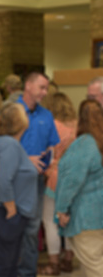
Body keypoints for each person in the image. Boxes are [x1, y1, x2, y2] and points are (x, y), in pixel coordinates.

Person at [0, 103, 38, 277]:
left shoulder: (9, 144)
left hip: (11, 212)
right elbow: (3, 179)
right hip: (9, 213)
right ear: (18, 121)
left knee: (9, 260)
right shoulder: (10, 145)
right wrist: (11, 208)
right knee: (2, 262)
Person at [16, 71, 60, 277]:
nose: (45, 92)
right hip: (12, 182)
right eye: (42, 87)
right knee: (10, 231)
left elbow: (53, 146)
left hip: (36, 182)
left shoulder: (46, 115)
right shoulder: (11, 111)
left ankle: (27, 273)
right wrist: (26, 159)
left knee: (32, 231)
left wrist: (49, 160)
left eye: (46, 88)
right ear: (28, 86)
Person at [55, 99, 103, 277]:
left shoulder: (85, 144)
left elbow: (71, 182)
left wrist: (61, 210)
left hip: (87, 217)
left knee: (94, 266)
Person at [38, 92, 77, 275]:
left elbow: (46, 155)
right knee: (68, 220)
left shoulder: (52, 126)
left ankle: (53, 262)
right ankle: (68, 259)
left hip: (55, 178)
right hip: (75, 178)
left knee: (50, 221)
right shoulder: (77, 125)